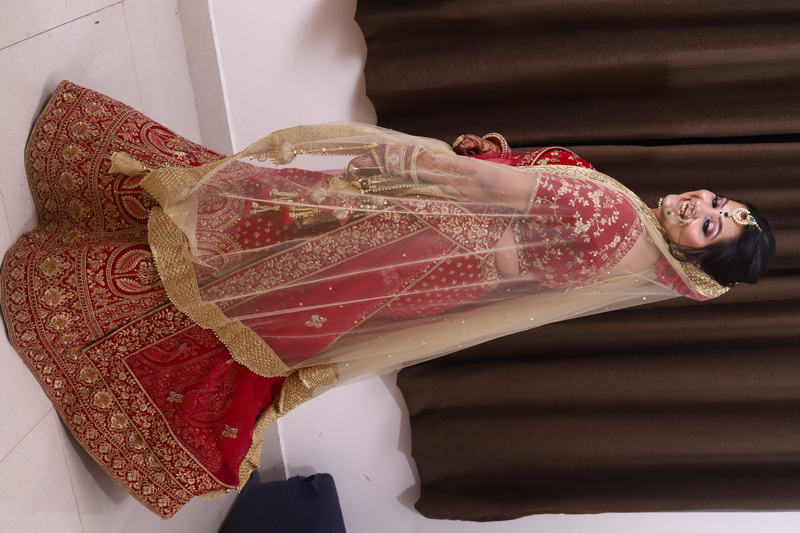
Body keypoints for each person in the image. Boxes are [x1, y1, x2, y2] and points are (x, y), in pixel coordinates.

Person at [1, 82, 775, 518]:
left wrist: (399, 165)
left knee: (256, 246)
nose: (698, 206)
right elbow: (530, 243)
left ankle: (86, 294)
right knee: (268, 275)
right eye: (717, 202)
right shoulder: (638, 243)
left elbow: (484, 190)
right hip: (435, 265)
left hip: (420, 232)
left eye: (710, 225)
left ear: (698, 256)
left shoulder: (612, 216)